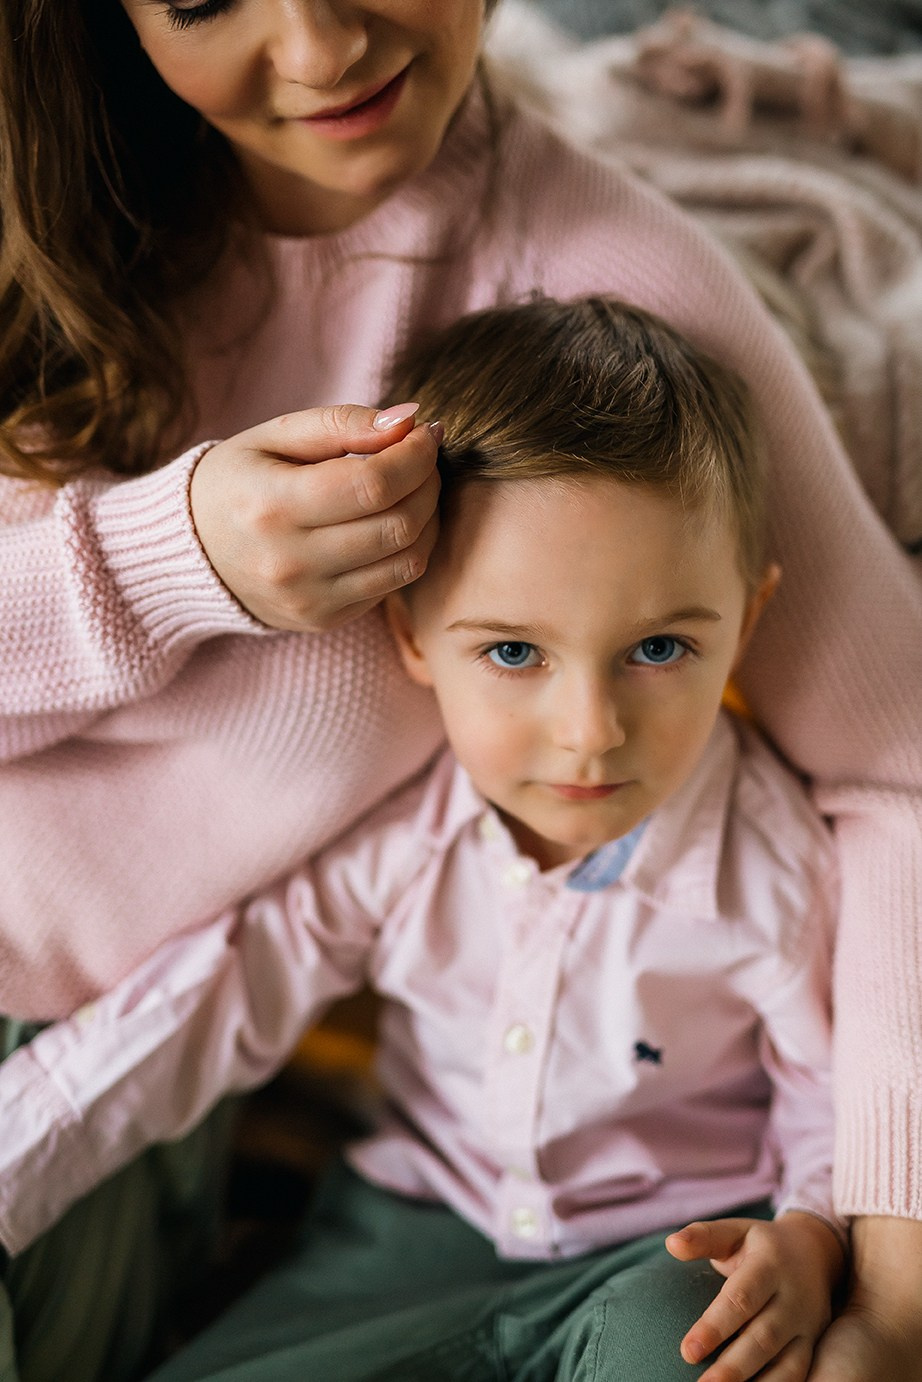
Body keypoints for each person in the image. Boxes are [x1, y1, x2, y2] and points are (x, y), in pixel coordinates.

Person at [0, 4, 919, 1379]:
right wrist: (162, 559)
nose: (320, 50)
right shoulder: (38, 224)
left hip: (131, 1048)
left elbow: (895, 761)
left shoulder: (615, 294)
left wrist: (891, 1293)